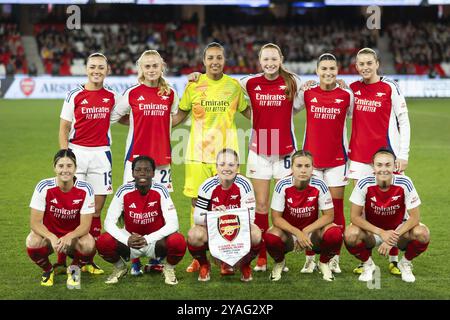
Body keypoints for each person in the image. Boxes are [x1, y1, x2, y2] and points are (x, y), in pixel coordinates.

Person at [171, 42, 249, 273]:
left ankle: (226, 258)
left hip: (226, 158)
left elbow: (250, 113)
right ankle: (199, 257)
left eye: (219, 58)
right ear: (204, 61)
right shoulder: (194, 85)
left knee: (226, 208)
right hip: (196, 155)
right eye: (210, 58)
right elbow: (178, 117)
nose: (215, 62)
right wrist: (151, 120)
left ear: (225, 60)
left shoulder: (234, 86)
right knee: (199, 209)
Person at [110, 49, 179, 275]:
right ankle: (135, 258)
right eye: (147, 66)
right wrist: (135, 123)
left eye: (155, 66)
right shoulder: (132, 93)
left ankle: (155, 257)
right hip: (136, 161)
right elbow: (115, 115)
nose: (151, 69)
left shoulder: (170, 93)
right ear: (141, 69)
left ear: (162, 67)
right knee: (131, 209)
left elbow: (175, 116)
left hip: (162, 161)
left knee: (159, 209)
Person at [239, 43, 302, 272]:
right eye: (265, 59)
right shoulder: (249, 82)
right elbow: (225, 85)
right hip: (260, 151)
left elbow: (313, 91)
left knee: (284, 206)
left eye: (274, 59)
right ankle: (263, 256)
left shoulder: (293, 81)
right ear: (259, 60)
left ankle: (280, 256)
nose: (270, 63)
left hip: (286, 152)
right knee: (262, 205)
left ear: (281, 59)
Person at [348, 48, 410, 275]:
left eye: (368, 63)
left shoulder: (390, 87)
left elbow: (404, 120)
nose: (365, 67)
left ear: (377, 63)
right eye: (360, 64)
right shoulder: (353, 89)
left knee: (393, 208)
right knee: (362, 211)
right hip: (359, 159)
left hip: (386, 159)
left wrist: (403, 154)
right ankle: (366, 261)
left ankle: (394, 258)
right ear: (356, 66)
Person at [58, 52, 117, 275]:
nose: (97, 71)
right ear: (86, 69)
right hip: (77, 154)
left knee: (95, 209)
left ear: (107, 70)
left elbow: (124, 114)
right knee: (71, 207)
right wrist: (65, 156)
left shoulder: (112, 96)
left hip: (102, 155)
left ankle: (88, 260)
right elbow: (64, 127)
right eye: (93, 67)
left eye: (101, 67)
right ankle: (62, 260)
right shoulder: (74, 95)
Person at [297, 53, 353, 274]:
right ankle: (310, 256)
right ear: (317, 71)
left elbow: (355, 118)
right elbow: (289, 107)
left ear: (337, 71)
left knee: (336, 210)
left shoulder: (347, 95)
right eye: (324, 69)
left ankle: (333, 257)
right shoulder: (308, 93)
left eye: (332, 68)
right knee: (310, 210)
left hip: (338, 161)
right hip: (311, 163)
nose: (328, 73)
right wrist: (302, 86)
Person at [96, 156, 187, 285]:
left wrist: (148, 239)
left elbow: (174, 223)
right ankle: (120, 267)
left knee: (178, 241)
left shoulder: (161, 190)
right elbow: (108, 222)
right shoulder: (123, 190)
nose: (142, 173)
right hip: (130, 241)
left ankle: (169, 269)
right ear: (132, 173)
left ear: (153, 173)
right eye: (138, 170)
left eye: (147, 170)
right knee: (103, 241)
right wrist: (126, 239)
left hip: (155, 242)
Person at [345, 148, 430, 283]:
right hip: (372, 233)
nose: (383, 169)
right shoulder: (364, 183)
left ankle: (405, 263)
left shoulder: (405, 182)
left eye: (388, 165)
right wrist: (381, 232)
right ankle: (368, 264)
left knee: (423, 233)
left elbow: (415, 217)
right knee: (350, 234)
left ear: (394, 165)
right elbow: (354, 217)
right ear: (373, 166)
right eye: (379, 165)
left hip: (399, 233)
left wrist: (391, 238)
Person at [264, 150, 343, 282]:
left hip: (311, 234)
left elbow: (329, 216)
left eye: (307, 166)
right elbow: (276, 218)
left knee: (335, 233)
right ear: (292, 168)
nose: (303, 170)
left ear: (312, 168)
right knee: (270, 237)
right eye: (299, 166)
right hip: (289, 234)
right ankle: (280, 263)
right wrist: (297, 233)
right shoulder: (282, 185)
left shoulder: (320, 184)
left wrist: (305, 231)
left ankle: (323, 263)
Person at [186, 148, 261, 282]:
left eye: (231, 165)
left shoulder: (245, 184)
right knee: (194, 234)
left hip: (236, 230)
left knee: (256, 233)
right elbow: (197, 217)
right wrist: (214, 214)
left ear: (238, 167)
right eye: (222, 164)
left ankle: (244, 264)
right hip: (213, 230)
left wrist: (225, 215)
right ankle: (204, 264)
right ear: (216, 167)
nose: (226, 168)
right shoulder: (207, 186)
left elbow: (250, 218)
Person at [26, 149, 96, 287]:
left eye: (69, 166)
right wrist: (51, 237)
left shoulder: (86, 189)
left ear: (75, 168)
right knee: (32, 241)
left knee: (89, 244)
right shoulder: (43, 186)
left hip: (73, 238)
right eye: (61, 166)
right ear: (54, 168)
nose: (65, 170)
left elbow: (85, 226)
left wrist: (70, 236)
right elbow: (35, 223)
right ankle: (47, 270)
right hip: (50, 237)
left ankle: (74, 270)